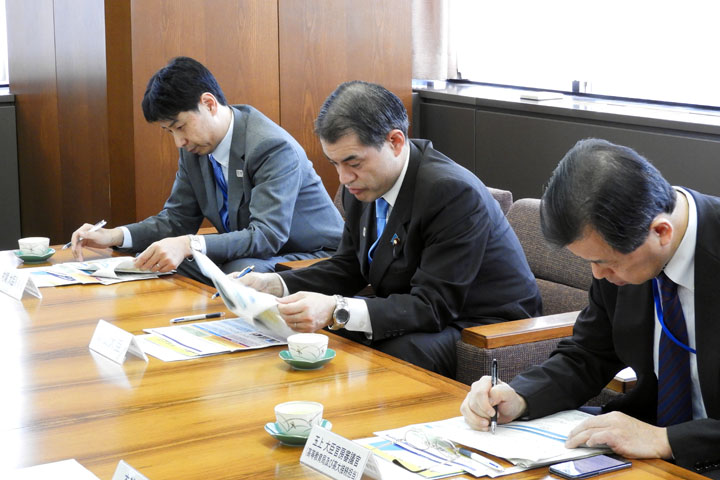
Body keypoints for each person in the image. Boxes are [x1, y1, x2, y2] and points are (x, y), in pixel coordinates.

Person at [237, 81, 541, 377]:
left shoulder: (450, 192)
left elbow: (434, 306)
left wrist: (336, 308)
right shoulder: (363, 187)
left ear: (395, 142)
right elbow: (347, 268)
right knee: (307, 335)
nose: (343, 177)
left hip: (482, 324)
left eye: (353, 162)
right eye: (335, 164)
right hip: (419, 308)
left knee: (391, 353)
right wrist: (274, 284)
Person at [460, 138, 720, 476]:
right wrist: (519, 396)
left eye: (605, 262)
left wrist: (666, 439)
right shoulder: (621, 255)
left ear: (661, 231)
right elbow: (589, 353)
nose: (597, 275)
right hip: (644, 444)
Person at [70, 56, 343, 281]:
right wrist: (114, 236)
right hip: (260, 254)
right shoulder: (196, 148)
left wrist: (189, 244)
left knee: (238, 269)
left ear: (209, 104)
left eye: (180, 127)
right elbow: (177, 220)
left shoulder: (270, 146)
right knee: (153, 260)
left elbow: (266, 236)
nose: (179, 141)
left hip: (315, 255)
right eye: (169, 132)